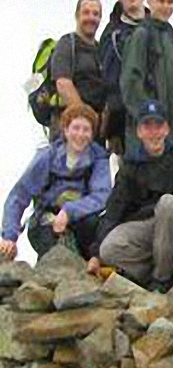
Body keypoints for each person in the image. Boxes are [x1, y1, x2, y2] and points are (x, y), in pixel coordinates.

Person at [93, 100, 173, 291]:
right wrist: (95, 253)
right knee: (108, 249)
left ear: (167, 129)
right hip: (146, 228)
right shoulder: (130, 165)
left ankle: (161, 280)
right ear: (139, 131)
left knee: (167, 204)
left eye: (158, 125)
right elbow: (113, 211)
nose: (154, 133)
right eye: (147, 126)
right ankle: (153, 274)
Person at [0, 104, 110, 261]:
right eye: (76, 128)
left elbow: (102, 196)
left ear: (92, 134)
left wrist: (68, 211)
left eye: (86, 129)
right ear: (65, 130)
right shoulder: (47, 157)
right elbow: (19, 195)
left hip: (82, 222)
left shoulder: (99, 159)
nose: (80, 134)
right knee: (54, 257)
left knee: (92, 227)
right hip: (46, 221)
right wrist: (9, 236)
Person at [120, 0, 173, 155]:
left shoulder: (171, 36)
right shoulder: (141, 35)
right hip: (145, 134)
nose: (165, 6)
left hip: (171, 131)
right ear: (149, 0)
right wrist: (150, 121)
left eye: (170, 1)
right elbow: (130, 84)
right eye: (161, 1)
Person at [99, 0, 148, 155]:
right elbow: (109, 78)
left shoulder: (159, 27)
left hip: (157, 115)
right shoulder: (111, 33)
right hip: (124, 120)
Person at [50, 0, 107, 141]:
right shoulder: (67, 44)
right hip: (69, 130)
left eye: (95, 14)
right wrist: (86, 118)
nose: (91, 18)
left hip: (96, 134)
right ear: (77, 16)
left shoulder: (102, 50)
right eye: (86, 12)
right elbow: (63, 83)